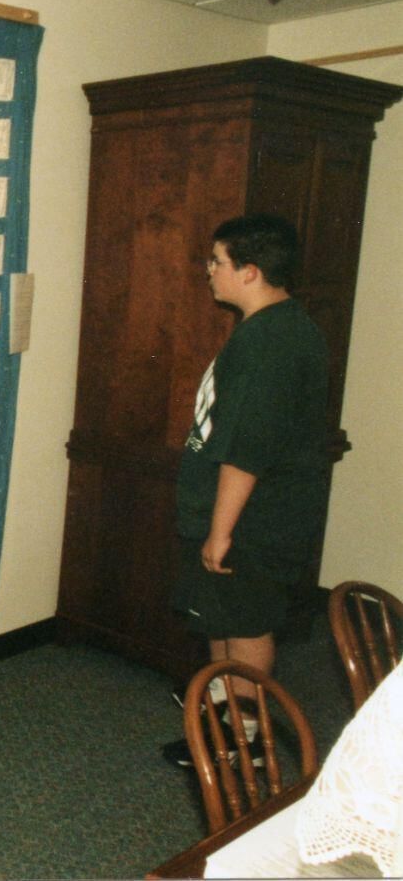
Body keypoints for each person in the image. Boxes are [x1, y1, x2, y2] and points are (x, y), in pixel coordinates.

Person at [162, 213, 329, 767]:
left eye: (217, 261)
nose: (208, 271)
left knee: (247, 624)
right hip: (236, 515)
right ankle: (221, 727)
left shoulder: (270, 343)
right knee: (222, 619)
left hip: (254, 521)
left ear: (250, 271)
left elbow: (246, 451)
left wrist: (220, 532)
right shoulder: (271, 328)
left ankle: (248, 742)